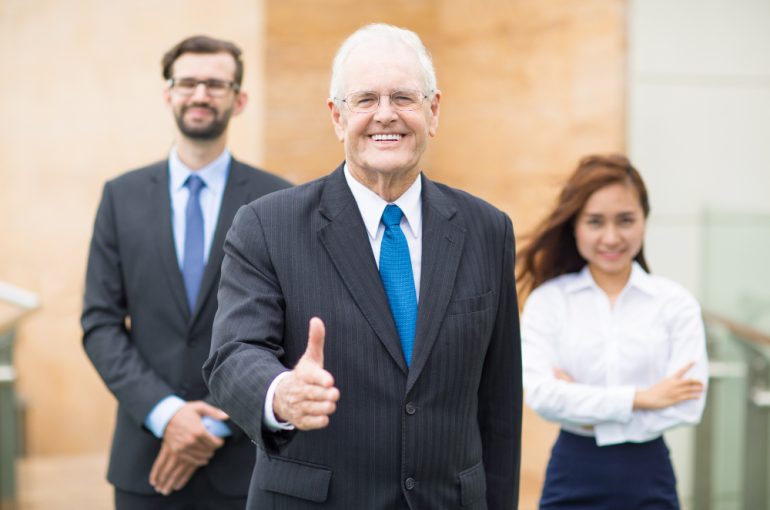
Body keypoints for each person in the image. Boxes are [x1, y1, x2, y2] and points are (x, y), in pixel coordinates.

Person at [203, 23, 522, 509]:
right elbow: (233, 354)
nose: (386, 115)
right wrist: (282, 392)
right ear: (337, 117)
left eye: (404, 98)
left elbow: (499, 405)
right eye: (366, 99)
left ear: (433, 111)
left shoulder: (487, 230)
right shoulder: (268, 225)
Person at [81, 35, 291, 509]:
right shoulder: (121, 196)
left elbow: (287, 330)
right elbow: (99, 323)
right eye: (188, 82)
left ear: (239, 100)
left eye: (216, 84)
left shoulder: (277, 201)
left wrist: (217, 422)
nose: (200, 95)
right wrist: (167, 413)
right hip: (147, 461)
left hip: (246, 463)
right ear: (168, 94)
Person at [518, 154, 708, 509]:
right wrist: (641, 398)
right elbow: (543, 396)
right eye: (594, 222)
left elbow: (687, 407)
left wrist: (583, 404)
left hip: (650, 475)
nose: (611, 237)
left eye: (625, 220)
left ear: (644, 222)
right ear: (574, 226)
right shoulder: (549, 302)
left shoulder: (675, 303)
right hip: (572, 473)